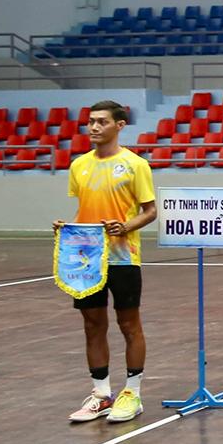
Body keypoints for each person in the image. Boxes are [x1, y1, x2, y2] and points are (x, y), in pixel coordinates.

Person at [61, 101, 157, 424]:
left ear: (120, 125)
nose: (94, 127)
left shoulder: (135, 164)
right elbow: (84, 209)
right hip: (86, 259)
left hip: (124, 257)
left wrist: (126, 226)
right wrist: (68, 228)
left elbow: (150, 210)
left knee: (129, 324)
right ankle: (101, 394)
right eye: (90, 122)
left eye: (102, 122)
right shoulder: (78, 166)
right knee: (92, 325)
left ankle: (133, 393)